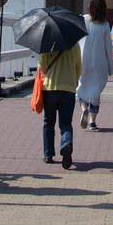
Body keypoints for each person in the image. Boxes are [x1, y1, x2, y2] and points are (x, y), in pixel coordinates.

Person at [39, 39, 82, 168]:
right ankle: (66, 143)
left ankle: (48, 154)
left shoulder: (47, 43)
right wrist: (74, 82)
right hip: (68, 88)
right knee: (66, 123)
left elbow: (42, 65)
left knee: (48, 122)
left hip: (50, 88)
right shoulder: (74, 44)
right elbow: (78, 66)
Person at [77, 0, 113, 131]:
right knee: (96, 91)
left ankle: (83, 107)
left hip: (83, 61)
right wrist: (111, 68)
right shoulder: (105, 24)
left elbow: (76, 41)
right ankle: (92, 122)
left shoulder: (82, 20)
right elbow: (108, 48)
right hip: (99, 62)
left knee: (81, 88)